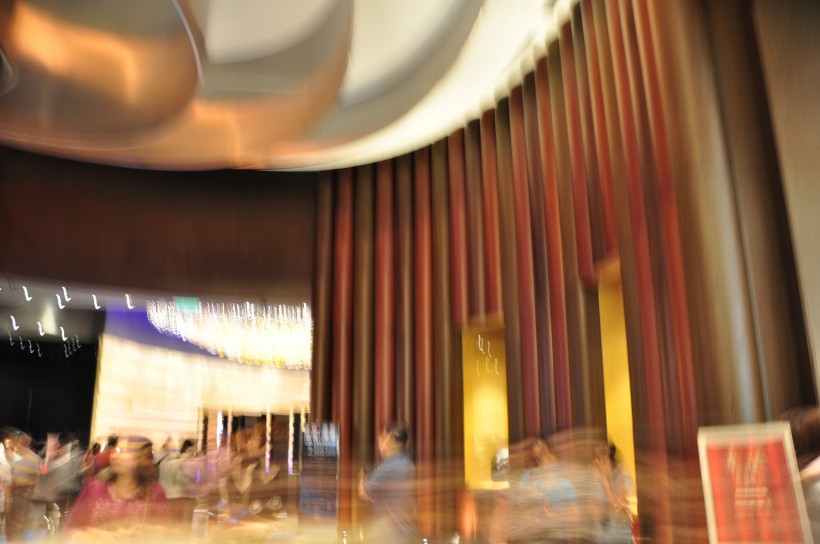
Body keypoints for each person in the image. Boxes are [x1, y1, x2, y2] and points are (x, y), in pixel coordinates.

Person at [64, 436, 168, 532]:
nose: (114, 456)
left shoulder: (155, 492)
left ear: (140, 459)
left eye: (123, 451)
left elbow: (167, 531)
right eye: (115, 450)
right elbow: (71, 528)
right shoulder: (95, 489)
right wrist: (93, 534)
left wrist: (147, 531)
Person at [358, 421, 417, 543]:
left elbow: (363, 492)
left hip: (388, 535)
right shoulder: (408, 463)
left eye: (381, 437)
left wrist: (363, 476)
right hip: (405, 531)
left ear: (389, 439)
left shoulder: (387, 466)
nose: (379, 440)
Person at [2, 428, 41, 542]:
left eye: (18, 441)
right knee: (12, 522)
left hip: (23, 494)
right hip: (15, 493)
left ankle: (16, 541)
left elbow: (37, 478)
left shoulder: (33, 458)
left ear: (24, 442)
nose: (17, 443)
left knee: (18, 522)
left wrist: (34, 492)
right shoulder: (16, 456)